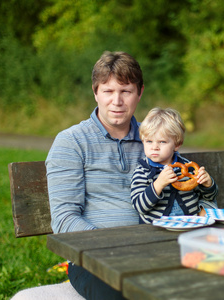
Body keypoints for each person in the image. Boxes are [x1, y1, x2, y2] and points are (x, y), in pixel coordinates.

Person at [45, 51, 145, 299]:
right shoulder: (72, 142)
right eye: (108, 91)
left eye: (126, 91)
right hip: (93, 260)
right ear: (95, 92)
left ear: (140, 92)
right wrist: (116, 247)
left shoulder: (154, 140)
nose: (117, 101)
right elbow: (64, 219)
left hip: (151, 251)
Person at [131, 107, 218, 224]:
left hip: (191, 223)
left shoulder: (187, 167)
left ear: (177, 144)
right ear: (143, 141)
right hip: (156, 227)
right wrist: (158, 184)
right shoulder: (143, 171)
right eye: (149, 141)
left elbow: (209, 197)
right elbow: (139, 206)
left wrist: (208, 185)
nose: (154, 147)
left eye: (162, 142)